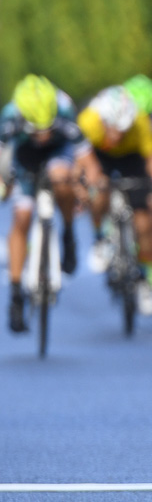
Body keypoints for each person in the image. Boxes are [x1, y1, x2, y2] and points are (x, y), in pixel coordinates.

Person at [0, 75, 95, 332]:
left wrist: (86, 186)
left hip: (58, 154)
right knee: (20, 218)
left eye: (47, 129)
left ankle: (68, 233)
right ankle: (17, 295)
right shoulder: (9, 116)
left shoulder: (64, 108)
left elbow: (86, 159)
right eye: (35, 130)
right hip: (24, 159)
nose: (42, 135)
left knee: (62, 178)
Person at [78, 85, 152, 314]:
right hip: (100, 155)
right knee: (98, 194)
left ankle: (146, 279)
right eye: (113, 129)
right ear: (103, 121)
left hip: (131, 159)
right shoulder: (89, 121)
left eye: (123, 130)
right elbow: (79, 158)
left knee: (145, 222)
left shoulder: (139, 123)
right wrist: (86, 183)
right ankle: (100, 238)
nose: (117, 135)